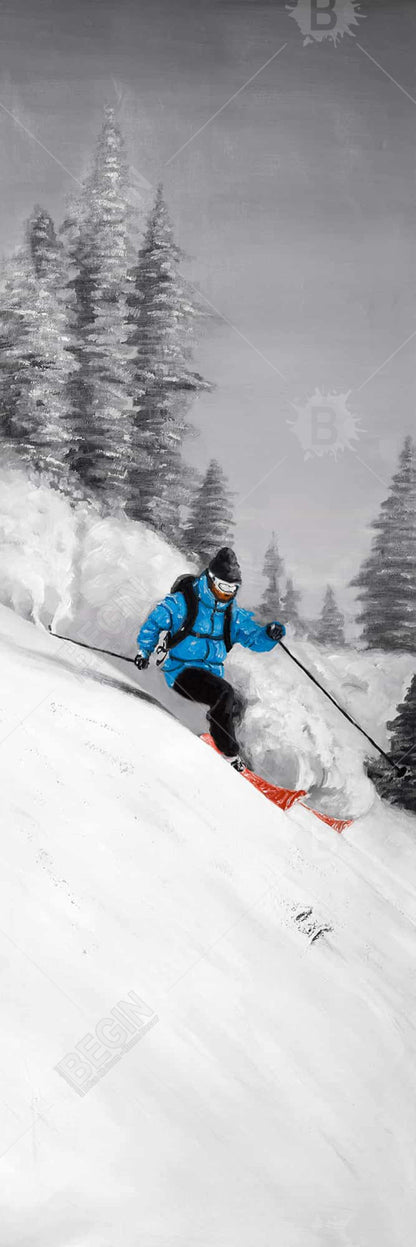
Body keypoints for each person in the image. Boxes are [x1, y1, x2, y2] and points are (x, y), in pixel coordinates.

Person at [135, 547, 285, 771]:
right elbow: (155, 623)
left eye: (234, 588)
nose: (228, 593)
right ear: (211, 579)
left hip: (211, 675)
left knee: (238, 705)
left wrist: (269, 634)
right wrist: (144, 652)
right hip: (182, 672)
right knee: (224, 694)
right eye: (224, 587)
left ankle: (236, 752)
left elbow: (253, 638)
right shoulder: (183, 602)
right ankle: (229, 755)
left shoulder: (230, 614)